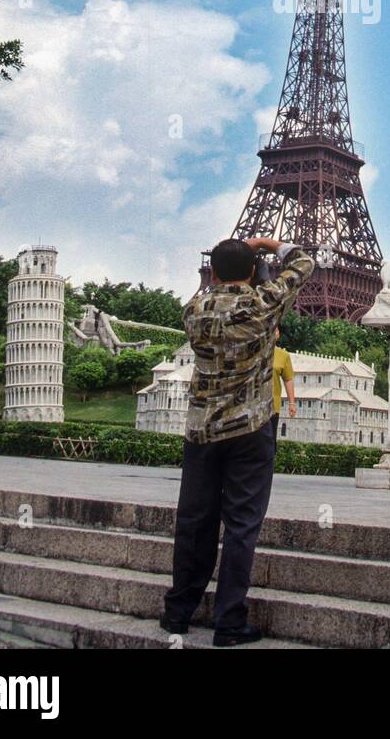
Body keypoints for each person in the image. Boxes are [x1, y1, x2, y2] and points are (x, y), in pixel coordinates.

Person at [160, 235, 314, 647]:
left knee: (194, 521)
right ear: (251, 272)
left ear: (211, 272)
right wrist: (270, 245)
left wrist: (239, 259)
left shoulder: (193, 310)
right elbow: (302, 265)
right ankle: (229, 621)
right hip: (250, 428)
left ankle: (178, 610)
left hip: (202, 430)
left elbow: (220, 291)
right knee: (242, 525)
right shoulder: (263, 305)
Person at [271, 328, 296, 442]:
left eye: (275, 331)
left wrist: (292, 403)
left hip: (273, 407)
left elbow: (288, 379)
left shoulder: (283, 355)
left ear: (278, 334)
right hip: (254, 405)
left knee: (270, 441)